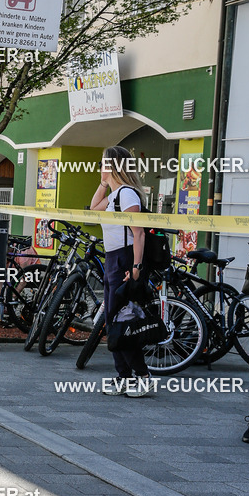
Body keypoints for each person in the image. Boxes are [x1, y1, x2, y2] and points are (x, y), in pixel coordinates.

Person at [91, 145, 154, 398]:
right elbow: (94, 209)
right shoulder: (116, 193)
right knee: (112, 321)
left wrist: (136, 267)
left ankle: (143, 376)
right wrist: (103, 183)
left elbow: (138, 234)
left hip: (124, 259)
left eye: (104, 163)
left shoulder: (127, 195)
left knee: (121, 321)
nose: (100, 166)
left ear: (115, 166)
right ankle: (124, 376)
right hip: (113, 258)